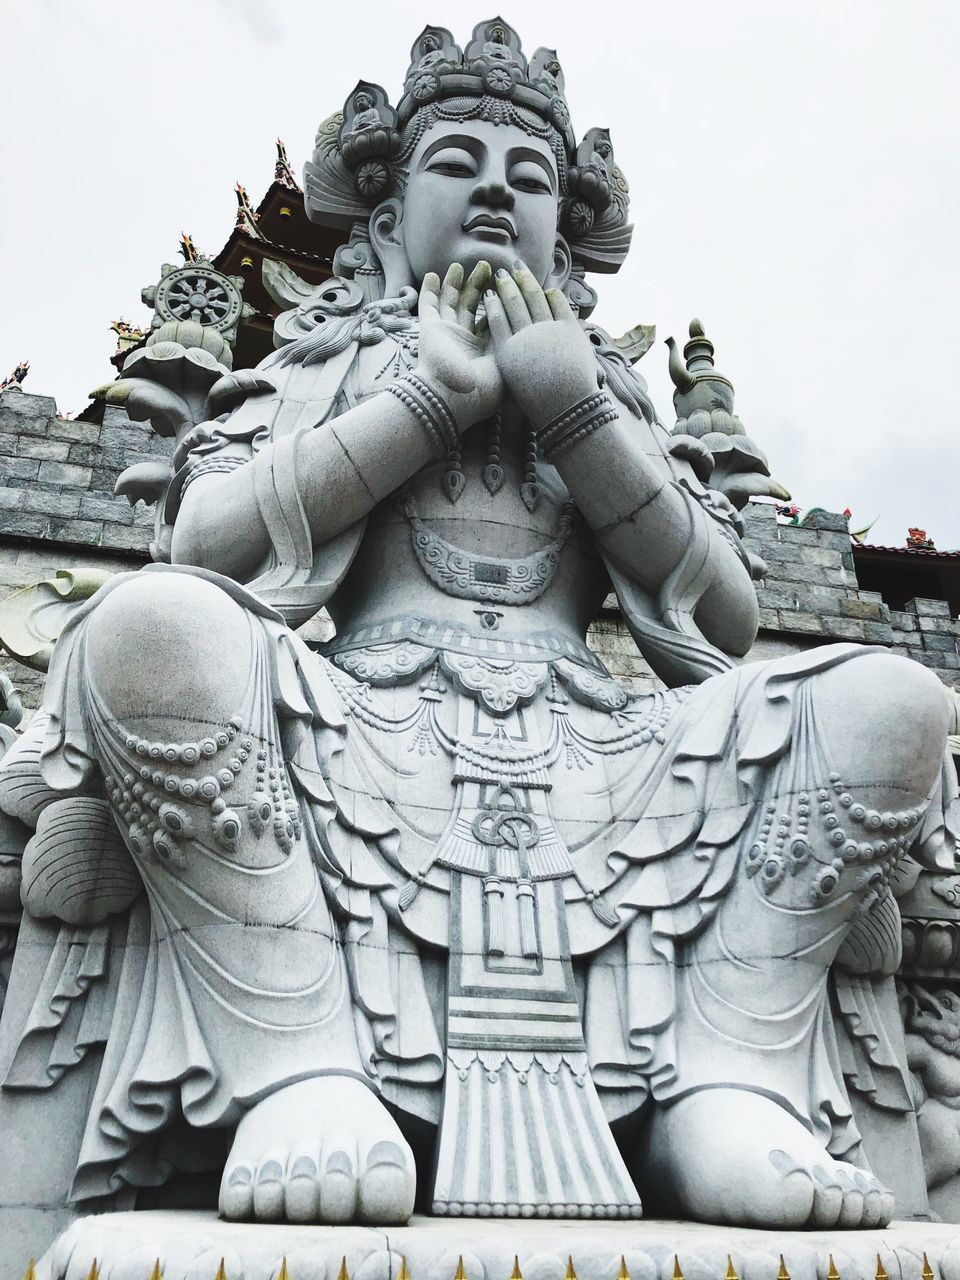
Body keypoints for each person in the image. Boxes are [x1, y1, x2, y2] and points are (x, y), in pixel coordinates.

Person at [1, 17, 955, 1232]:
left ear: (569, 225)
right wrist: (426, 397)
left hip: (604, 739)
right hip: (352, 714)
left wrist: (571, 407)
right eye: (458, 161)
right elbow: (207, 549)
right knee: (155, 629)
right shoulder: (324, 360)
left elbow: (726, 611)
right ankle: (296, 1066)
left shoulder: (602, 391)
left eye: (533, 176)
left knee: (893, 701)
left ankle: (729, 1071)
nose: (499, 189)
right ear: (388, 214)